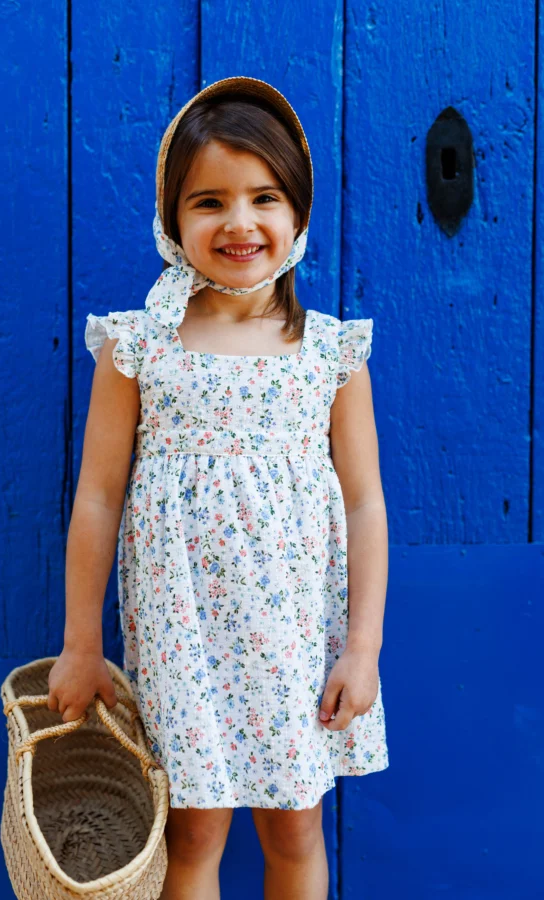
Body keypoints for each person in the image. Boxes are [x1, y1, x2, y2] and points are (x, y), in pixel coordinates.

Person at [47, 76, 389, 900]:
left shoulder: (330, 353)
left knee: (297, 822)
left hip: (297, 637)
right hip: (183, 633)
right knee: (194, 825)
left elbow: (364, 502)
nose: (239, 223)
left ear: (298, 213)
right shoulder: (136, 348)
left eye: (264, 197)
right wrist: (81, 642)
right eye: (209, 202)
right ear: (173, 221)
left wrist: (364, 648)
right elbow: (97, 496)